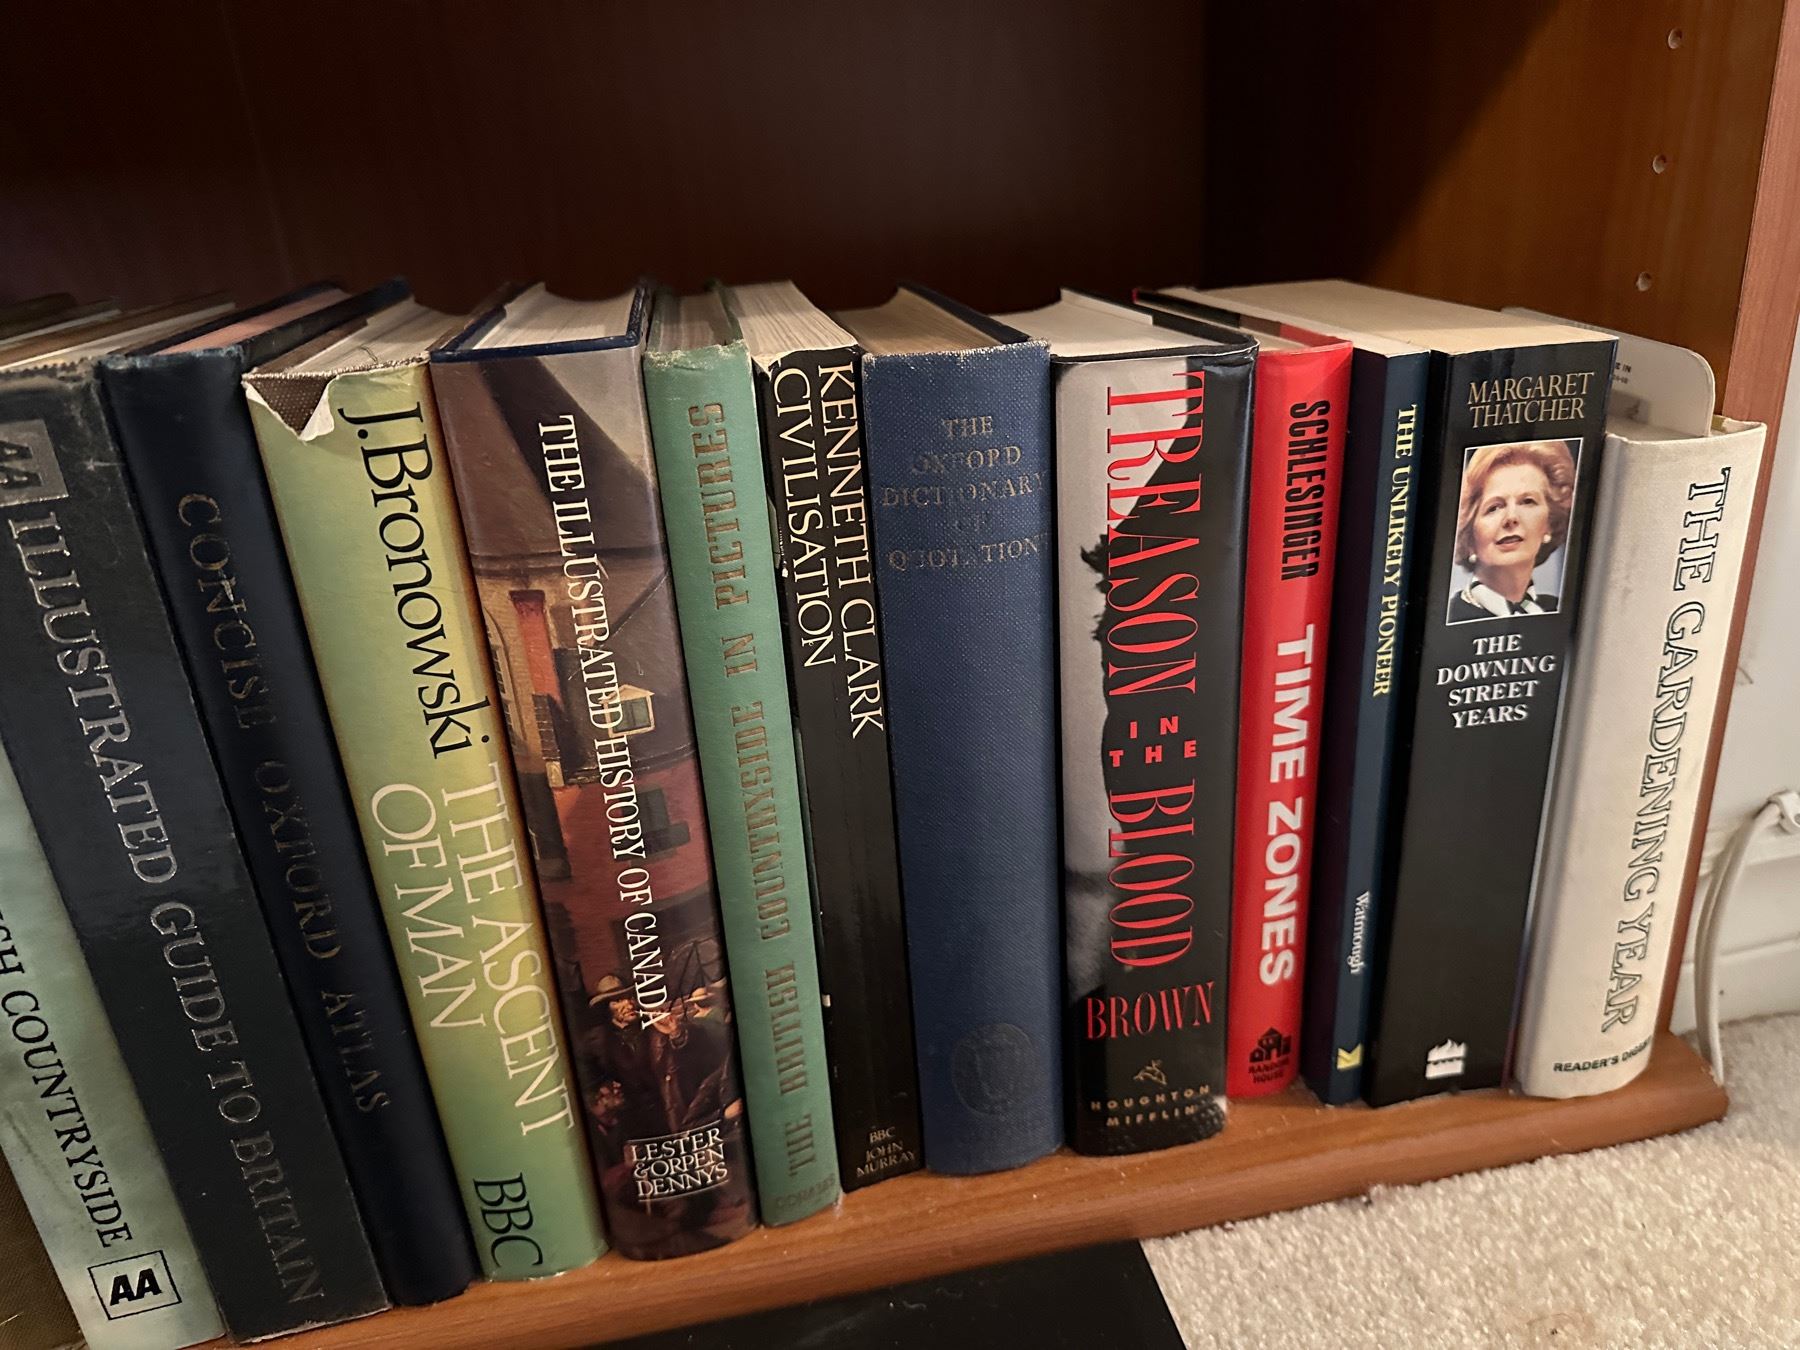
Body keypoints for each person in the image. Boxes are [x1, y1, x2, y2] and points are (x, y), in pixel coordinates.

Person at [1446, 439, 1577, 623]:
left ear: (1550, 523)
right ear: (1469, 537)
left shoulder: (1561, 612)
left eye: (1527, 501)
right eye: (1494, 508)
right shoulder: (1451, 618)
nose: (1511, 518)